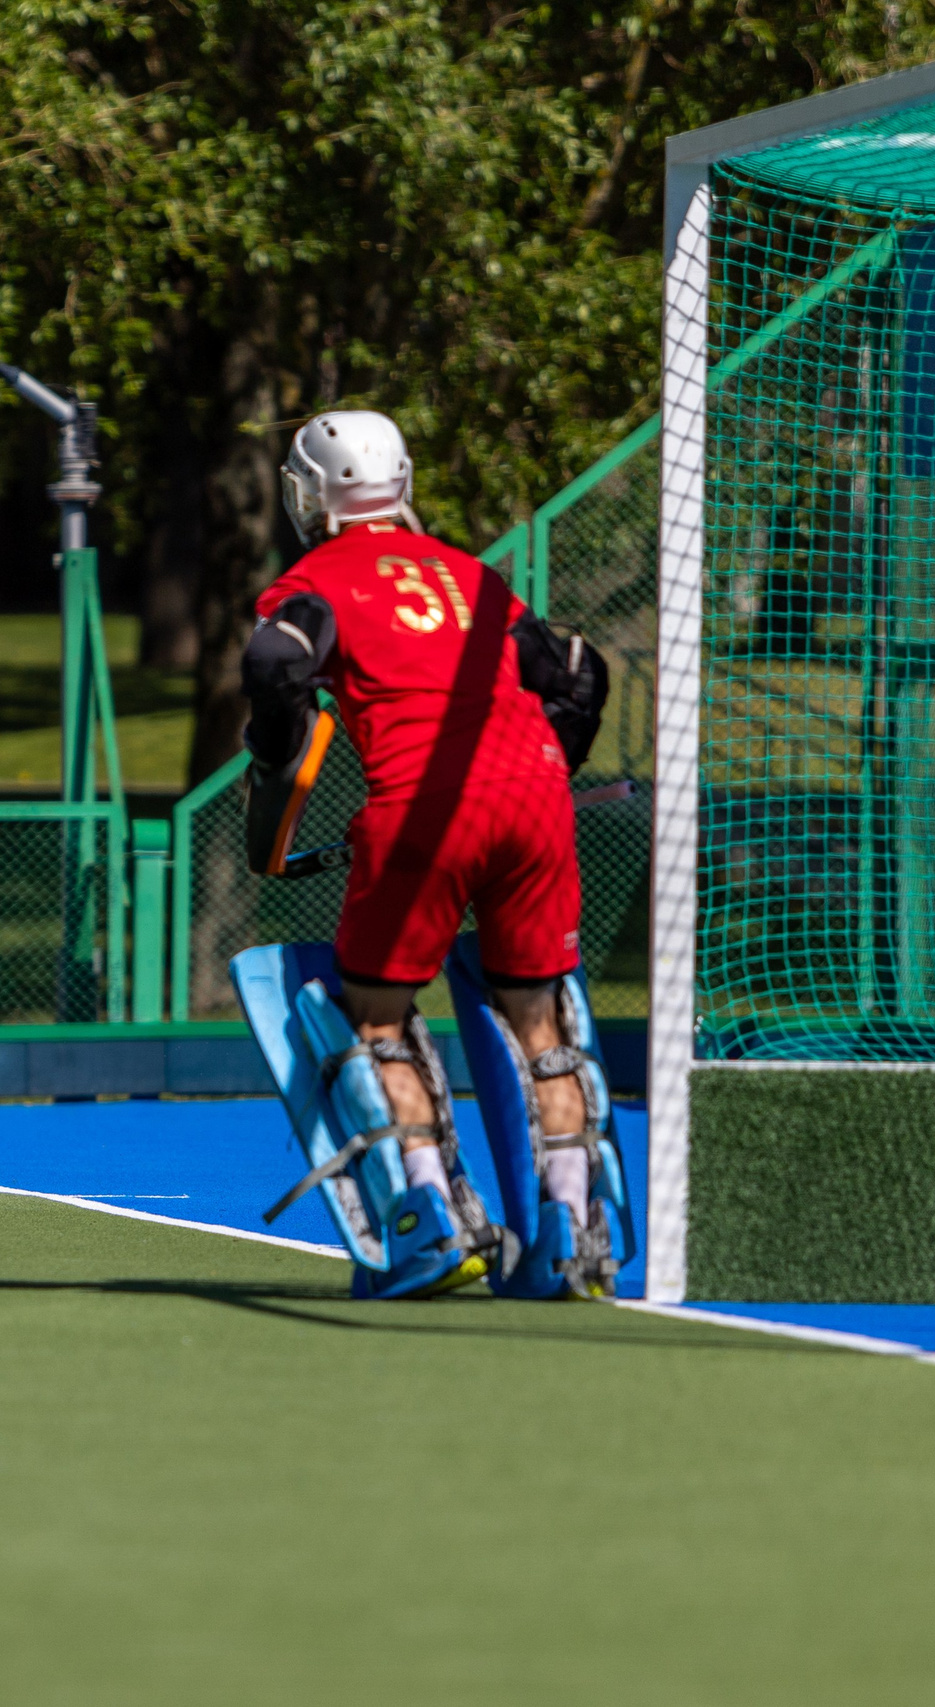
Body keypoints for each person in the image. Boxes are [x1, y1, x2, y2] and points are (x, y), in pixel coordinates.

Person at [242, 411, 614, 1296]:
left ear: (313, 495)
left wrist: (275, 752)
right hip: (536, 803)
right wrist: (556, 758)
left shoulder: (313, 580)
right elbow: (579, 670)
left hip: (421, 812)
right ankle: (569, 1226)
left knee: (374, 1020)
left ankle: (431, 1218)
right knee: (540, 1024)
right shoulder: (471, 576)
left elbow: (274, 660)